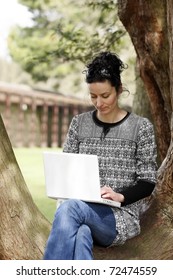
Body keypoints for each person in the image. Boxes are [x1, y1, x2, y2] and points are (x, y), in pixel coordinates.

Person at [43, 51, 157, 260]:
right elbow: (66, 169)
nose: (99, 103)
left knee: (71, 209)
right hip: (79, 209)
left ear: (119, 90)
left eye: (105, 96)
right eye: (93, 96)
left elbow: (148, 181)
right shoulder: (79, 123)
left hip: (118, 217)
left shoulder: (141, 127)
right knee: (82, 234)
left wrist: (120, 196)